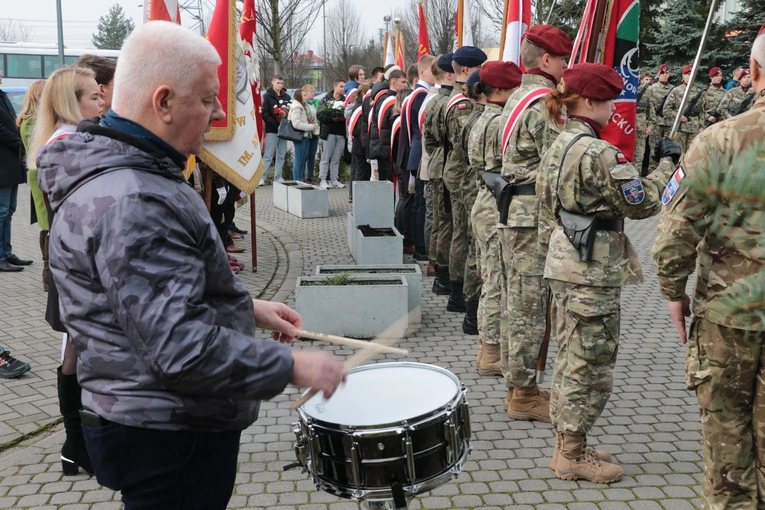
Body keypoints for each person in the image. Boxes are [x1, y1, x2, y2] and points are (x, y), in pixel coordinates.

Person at [36, 22, 343, 508]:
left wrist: (247, 306)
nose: (221, 113)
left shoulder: (132, 175)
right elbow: (181, 347)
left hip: (154, 418)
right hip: (167, 432)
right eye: (206, 99)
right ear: (163, 103)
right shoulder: (135, 200)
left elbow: (144, 301)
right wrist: (289, 365)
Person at [536, 62, 679, 483]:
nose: (615, 105)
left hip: (566, 260)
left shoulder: (560, 141)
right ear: (592, 101)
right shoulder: (598, 152)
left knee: (570, 356)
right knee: (590, 363)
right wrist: (669, 166)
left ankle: (568, 443)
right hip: (591, 269)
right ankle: (573, 455)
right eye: (611, 98)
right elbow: (644, 204)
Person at [652, 29, 765, 509]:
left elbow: (676, 230)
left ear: (755, 72)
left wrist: (673, 291)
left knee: (726, 437)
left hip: (729, 314)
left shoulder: (718, 141)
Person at [27, 66, 104, 476]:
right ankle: (77, 444)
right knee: (75, 353)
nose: (103, 100)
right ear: (71, 103)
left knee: (74, 352)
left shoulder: (73, 139)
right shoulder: (67, 144)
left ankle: (77, 446)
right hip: (78, 264)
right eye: (94, 96)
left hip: (77, 261)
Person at [497, 24, 571, 423]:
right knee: (529, 306)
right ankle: (524, 393)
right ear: (546, 61)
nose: (566, 66)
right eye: (562, 59)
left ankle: (517, 385)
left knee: (516, 302)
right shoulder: (545, 104)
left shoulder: (517, 97)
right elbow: (559, 165)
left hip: (514, 213)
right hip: (532, 219)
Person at [466, 61, 522, 376]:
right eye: (515, 88)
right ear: (498, 90)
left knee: (491, 278)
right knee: (496, 282)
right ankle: (490, 353)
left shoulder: (480, 119)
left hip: (485, 202)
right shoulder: (502, 122)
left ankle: (487, 349)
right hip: (498, 206)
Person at [443, 47, 487, 320]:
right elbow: (467, 145)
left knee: (462, 234)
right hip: (463, 178)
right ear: (469, 70)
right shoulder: (463, 105)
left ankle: (458, 291)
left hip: (459, 176)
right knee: (464, 236)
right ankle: (458, 293)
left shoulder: (461, 100)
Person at [422, 54, 456, 295]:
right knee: (445, 223)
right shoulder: (445, 102)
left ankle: (437, 266)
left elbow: (429, 140)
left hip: (437, 164)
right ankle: (441, 271)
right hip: (446, 166)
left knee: (439, 221)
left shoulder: (432, 100)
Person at [458, 69, 486, 335]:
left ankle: (470, 313)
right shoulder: (484, 120)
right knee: (477, 254)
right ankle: (473, 315)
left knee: (472, 251)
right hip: (479, 191)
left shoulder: (471, 118)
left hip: (470, 188)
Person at [0, 68, 33, 273]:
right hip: (3, 163)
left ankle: (6, 252)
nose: (0, 77)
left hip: (10, 163)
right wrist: (20, 144)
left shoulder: (2, 96)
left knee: (9, 210)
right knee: (2, 211)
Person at [17, 80, 48, 288]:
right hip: (39, 176)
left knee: (49, 224)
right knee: (47, 224)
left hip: (41, 176)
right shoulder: (31, 121)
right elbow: (37, 151)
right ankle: (48, 272)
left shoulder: (37, 120)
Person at [405, 56, 436, 262]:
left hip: (415, 154)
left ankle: (418, 245)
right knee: (420, 205)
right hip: (420, 155)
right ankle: (420, 247)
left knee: (418, 203)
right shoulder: (422, 95)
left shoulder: (415, 95)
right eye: (434, 70)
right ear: (423, 72)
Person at [663, 64, 708, 153]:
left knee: (692, 153)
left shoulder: (699, 91)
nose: (690, 76)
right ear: (683, 76)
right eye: (688, 74)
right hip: (681, 128)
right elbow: (666, 109)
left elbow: (702, 111)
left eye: (692, 74)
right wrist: (678, 116)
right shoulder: (676, 90)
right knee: (680, 153)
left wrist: (701, 126)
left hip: (694, 127)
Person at [260, 76, 292, 185]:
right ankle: (262, 177)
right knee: (268, 155)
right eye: (278, 83)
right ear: (273, 83)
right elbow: (265, 114)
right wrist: (276, 124)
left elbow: (290, 111)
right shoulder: (267, 96)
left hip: (283, 131)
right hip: (272, 130)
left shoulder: (287, 96)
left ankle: (278, 176)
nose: (280, 85)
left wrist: (284, 124)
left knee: (281, 154)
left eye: (281, 83)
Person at [317, 79, 347, 189]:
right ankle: (323, 179)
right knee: (325, 157)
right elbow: (319, 115)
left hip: (341, 133)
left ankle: (334, 179)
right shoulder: (325, 99)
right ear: (335, 86)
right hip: (328, 133)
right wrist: (331, 118)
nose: (343, 89)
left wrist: (343, 117)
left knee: (336, 158)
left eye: (344, 87)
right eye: (341, 86)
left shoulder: (345, 100)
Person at [645, 64, 674, 172]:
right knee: (654, 148)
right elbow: (649, 104)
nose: (665, 75)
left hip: (669, 122)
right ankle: (653, 171)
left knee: (667, 148)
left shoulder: (673, 89)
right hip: (656, 122)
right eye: (662, 73)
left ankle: (665, 171)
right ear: (658, 75)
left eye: (667, 73)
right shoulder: (652, 88)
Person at [345, 83, 371, 202]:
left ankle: (352, 195)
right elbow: (360, 129)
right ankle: (357, 198)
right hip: (360, 146)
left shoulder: (357, 105)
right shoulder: (361, 107)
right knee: (360, 172)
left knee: (355, 171)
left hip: (357, 145)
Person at [288, 86, 320, 182]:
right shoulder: (297, 106)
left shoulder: (301, 106)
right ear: (299, 97)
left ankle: (300, 180)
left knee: (302, 160)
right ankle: (297, 181)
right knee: (299, 160)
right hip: (300, 136)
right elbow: (296, 123)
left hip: (304, 136)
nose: (306, 97)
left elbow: (301, 120)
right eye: (304, 95)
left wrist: (309, 119)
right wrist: (311, 127)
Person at [634, 71, 653, 175]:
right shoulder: (624, 90)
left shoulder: (646, 90)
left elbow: (651, 110)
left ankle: (637, 176)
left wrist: (649, 126)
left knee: (640, 154)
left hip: (641, 127)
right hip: (627, 126)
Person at [303, 84, 321, 182]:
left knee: (312, 155)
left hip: (315, 132)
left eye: (314, 92)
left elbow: (320, 114)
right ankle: (302, 175)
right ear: (305, 93)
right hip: (306, 132)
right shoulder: (303, 103)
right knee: (304, 155)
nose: (313, 93)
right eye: (311, 91)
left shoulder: (316, 103)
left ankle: (310, 175)